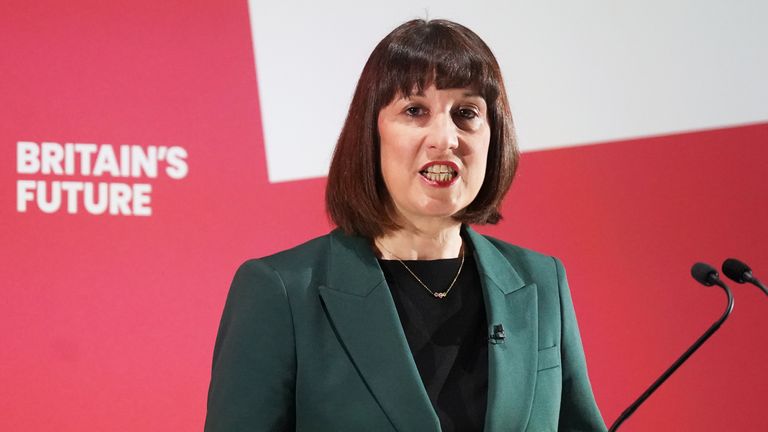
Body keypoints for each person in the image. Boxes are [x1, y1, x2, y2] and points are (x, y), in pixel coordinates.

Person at [205, 18, 606, 432]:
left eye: (466, 113)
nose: (445, 138)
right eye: (415, 111)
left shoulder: (540, 283)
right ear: (371, 132)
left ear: (494, 136)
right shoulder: (281, 292)